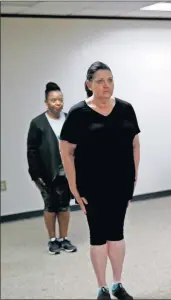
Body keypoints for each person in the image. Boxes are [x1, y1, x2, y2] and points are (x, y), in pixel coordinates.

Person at [59, 61, 140, 300]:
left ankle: (117, 283)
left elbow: (135, 144)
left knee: (116, 233)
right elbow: (66, 151)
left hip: (121, 183)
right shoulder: (78, 113)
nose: (106, 86)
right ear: (89, 84)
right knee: (98, 234)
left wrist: (134, 178)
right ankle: (102, 287)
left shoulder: (126, 109)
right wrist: (73, 187)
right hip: (91, 185)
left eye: (110, 80)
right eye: (100, 81)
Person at [27, 82, 77, 255]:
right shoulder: (38, 123)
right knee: (50, 205)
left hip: (67, 171)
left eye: (60, 99)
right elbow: (31, 150)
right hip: (47, 172)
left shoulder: (69, 119)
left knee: (64, 206)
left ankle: (64, 238)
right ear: (46, 102)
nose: (58, 103)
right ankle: (52, 240)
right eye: (54, 100)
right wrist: (35, 175)